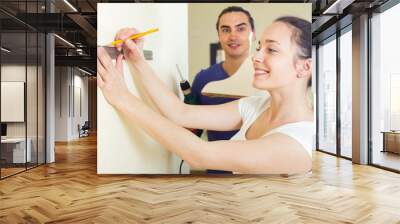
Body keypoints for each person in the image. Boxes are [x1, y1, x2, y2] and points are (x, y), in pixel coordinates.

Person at [97, 16, 314, 174]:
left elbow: (199, 155)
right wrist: (136, 60)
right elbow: (180, 112)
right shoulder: (258, 105)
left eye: (272, 50)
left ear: (304, 68)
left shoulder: (295, 144)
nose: (256, 56)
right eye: (259, 47)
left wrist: (123, 98)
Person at [191, 6, 256, 174]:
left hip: (259, 173)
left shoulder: (270, 78)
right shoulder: (203, 79)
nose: (233, 36)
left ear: (253, 34)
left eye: (241, 28)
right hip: (217, 173)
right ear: (219, 36)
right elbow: (193, 129)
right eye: (226, 30)